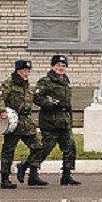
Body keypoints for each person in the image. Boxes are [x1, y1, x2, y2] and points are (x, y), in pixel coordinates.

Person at [0, 60, 48, 189]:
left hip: (25, 122)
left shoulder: (26, 84)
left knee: (38, 147)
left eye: (28, 71)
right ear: (18, 71)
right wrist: (2, 111)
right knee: (8, 151)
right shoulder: (9, 83)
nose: (27, 73)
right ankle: (5, 178)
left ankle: (26, 168)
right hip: (12, 122)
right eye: (24, 70)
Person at [34, 55, 81, 186]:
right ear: (53, 66)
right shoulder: (45, 81)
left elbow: (67, 104)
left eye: (63, 66)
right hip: (50, 122)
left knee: (70, 148)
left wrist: (70, 121)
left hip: (64, 122)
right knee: (45, 148)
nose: (61, 68)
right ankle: (30, 169)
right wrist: (50, 104)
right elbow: (37, 98)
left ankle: (66, 175)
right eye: (58, 65)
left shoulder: (65, 82)